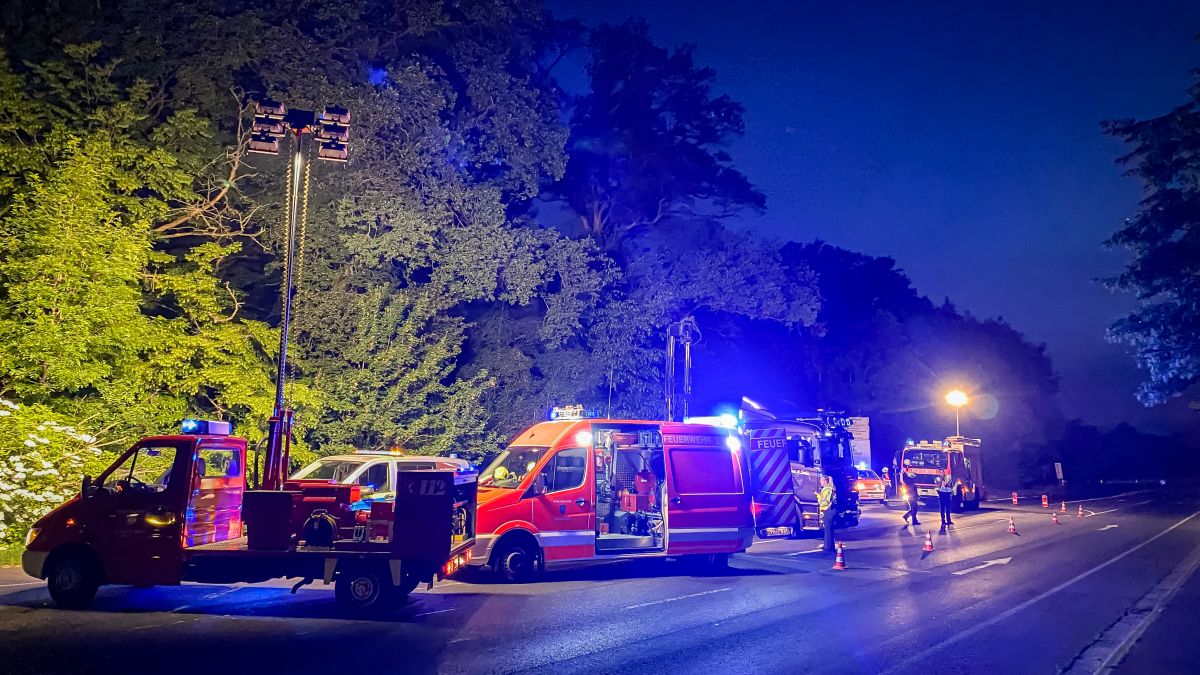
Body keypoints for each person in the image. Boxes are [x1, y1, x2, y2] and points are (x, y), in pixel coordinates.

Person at [815, 475, 836, 552]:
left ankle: (828, 547)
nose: (820, 482)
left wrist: (818, 496)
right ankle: (830, 547)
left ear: (825, 481)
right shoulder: (828, 489)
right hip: (829, 510)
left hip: (828, 510)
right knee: (828, 529)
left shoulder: (827, 489)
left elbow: (824, 502)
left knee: (827, 530)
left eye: (821, 480)